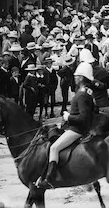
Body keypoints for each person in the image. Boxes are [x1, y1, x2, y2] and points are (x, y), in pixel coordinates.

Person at [36, 61, 95, 189]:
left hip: (77, 129)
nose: (74, 77)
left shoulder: (81, 94)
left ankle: (49, 179)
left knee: (54, 148)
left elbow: (84, 118)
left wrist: (68, 117)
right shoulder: (86, 91)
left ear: (81, 77)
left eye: (76, 76)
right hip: (74, 126)